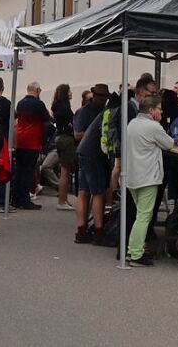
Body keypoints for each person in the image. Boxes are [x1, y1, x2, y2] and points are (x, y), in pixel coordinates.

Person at [123, 96, 174, 266]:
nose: (161, 111)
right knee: (144, 216)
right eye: (159, 108)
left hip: (132, 175)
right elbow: (169, 144)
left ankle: (132, 248)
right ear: (151, 110)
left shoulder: (132, 124)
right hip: (148, 176)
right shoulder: (153, 127)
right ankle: (135, 253)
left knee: (140, 215)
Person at [74, 84, 113, 245]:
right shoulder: (86, 112)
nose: (103, 100)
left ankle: (82, 230)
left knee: (84, 191)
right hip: (93, 154)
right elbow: (77, 134)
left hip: (85, 153)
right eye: (101, 97)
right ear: (94, 95)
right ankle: (98, 230)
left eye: (105, 98)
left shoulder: (90, 110)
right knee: (97, 192)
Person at [12, 81, 49, 210]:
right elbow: (46, 120)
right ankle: (25, 199)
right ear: (37, 90)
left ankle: (16, 198)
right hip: (32, 141)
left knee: (19, 170)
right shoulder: (39, 104)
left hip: (20, 139)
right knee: (28, 171)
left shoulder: (20, 103)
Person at [49, 83, 76, 210]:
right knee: (65, 171)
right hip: (66, 139)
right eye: (69, 91)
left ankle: (63, 199)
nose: (71, 93)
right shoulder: (65, 108)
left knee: (63, 171)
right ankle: (62, 200)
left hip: (59, 137)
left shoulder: (56, 107)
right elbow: (73, 122)